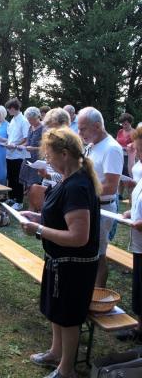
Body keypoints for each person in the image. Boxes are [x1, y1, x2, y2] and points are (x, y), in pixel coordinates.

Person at [21, 127, 100, 378]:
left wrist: (39, 229)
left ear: (64, 154)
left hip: (73, 266)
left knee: (68, 317)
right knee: (57, 310)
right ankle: (56, 353)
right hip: (59, 262)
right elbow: (59, 217)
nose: (48, 160)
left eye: (50, 155)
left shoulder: (77, 186)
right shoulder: (66, 181)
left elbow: (79, 237)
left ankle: (66, 370)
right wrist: (37, 216)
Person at [78, 106, 123, 287]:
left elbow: (111, 186)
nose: (80, 133)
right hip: (90, 206)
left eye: (83, 129)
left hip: (103, 209)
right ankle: (86, 291)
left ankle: (97, 295)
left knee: (98, 254)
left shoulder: (112, 148)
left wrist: (82, 192)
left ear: (97, 126)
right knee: (87, 251)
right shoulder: (92, 145)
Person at [117, 126, 142, 342]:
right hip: (139, 239)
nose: (134, 147)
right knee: (140, 284)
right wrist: (131, 211)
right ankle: (140, 328)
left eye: (138, 144)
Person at [4, 97, 30, 211]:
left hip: (18, 155)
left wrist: (14, 145)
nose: (8, 112)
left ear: (14, 108)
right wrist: (7, 142)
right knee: (10, 177)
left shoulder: (24, 121)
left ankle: (19, 201)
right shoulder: (13, 120)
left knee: (17, 178)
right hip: (9, 154)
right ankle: (12, 197)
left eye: (9, 109)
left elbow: (26, 139)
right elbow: (11, 136)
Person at [19, 107, 44, 190]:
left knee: (35, 185)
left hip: (38, 160)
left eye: (32, 119)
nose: (30, 121)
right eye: (28, 119)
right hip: (27, 158)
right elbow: (28, 142)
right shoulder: (30, 127)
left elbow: (46, 147)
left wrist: (34, 148)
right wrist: (22, 146)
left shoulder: (44, 128)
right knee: (26, 186)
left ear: (38, 117)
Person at [116, 113, 135, 199]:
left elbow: (136, 145)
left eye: (126, 124)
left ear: (130, 122)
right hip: (119, 156)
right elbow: (116, 142)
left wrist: (127, 147)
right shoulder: (120, 131)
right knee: (119, 175)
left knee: (127, 176)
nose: (124, 125)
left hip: (129, 157)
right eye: (122, 123)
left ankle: (130, 194)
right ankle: (120, 194)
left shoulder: (134, 132)